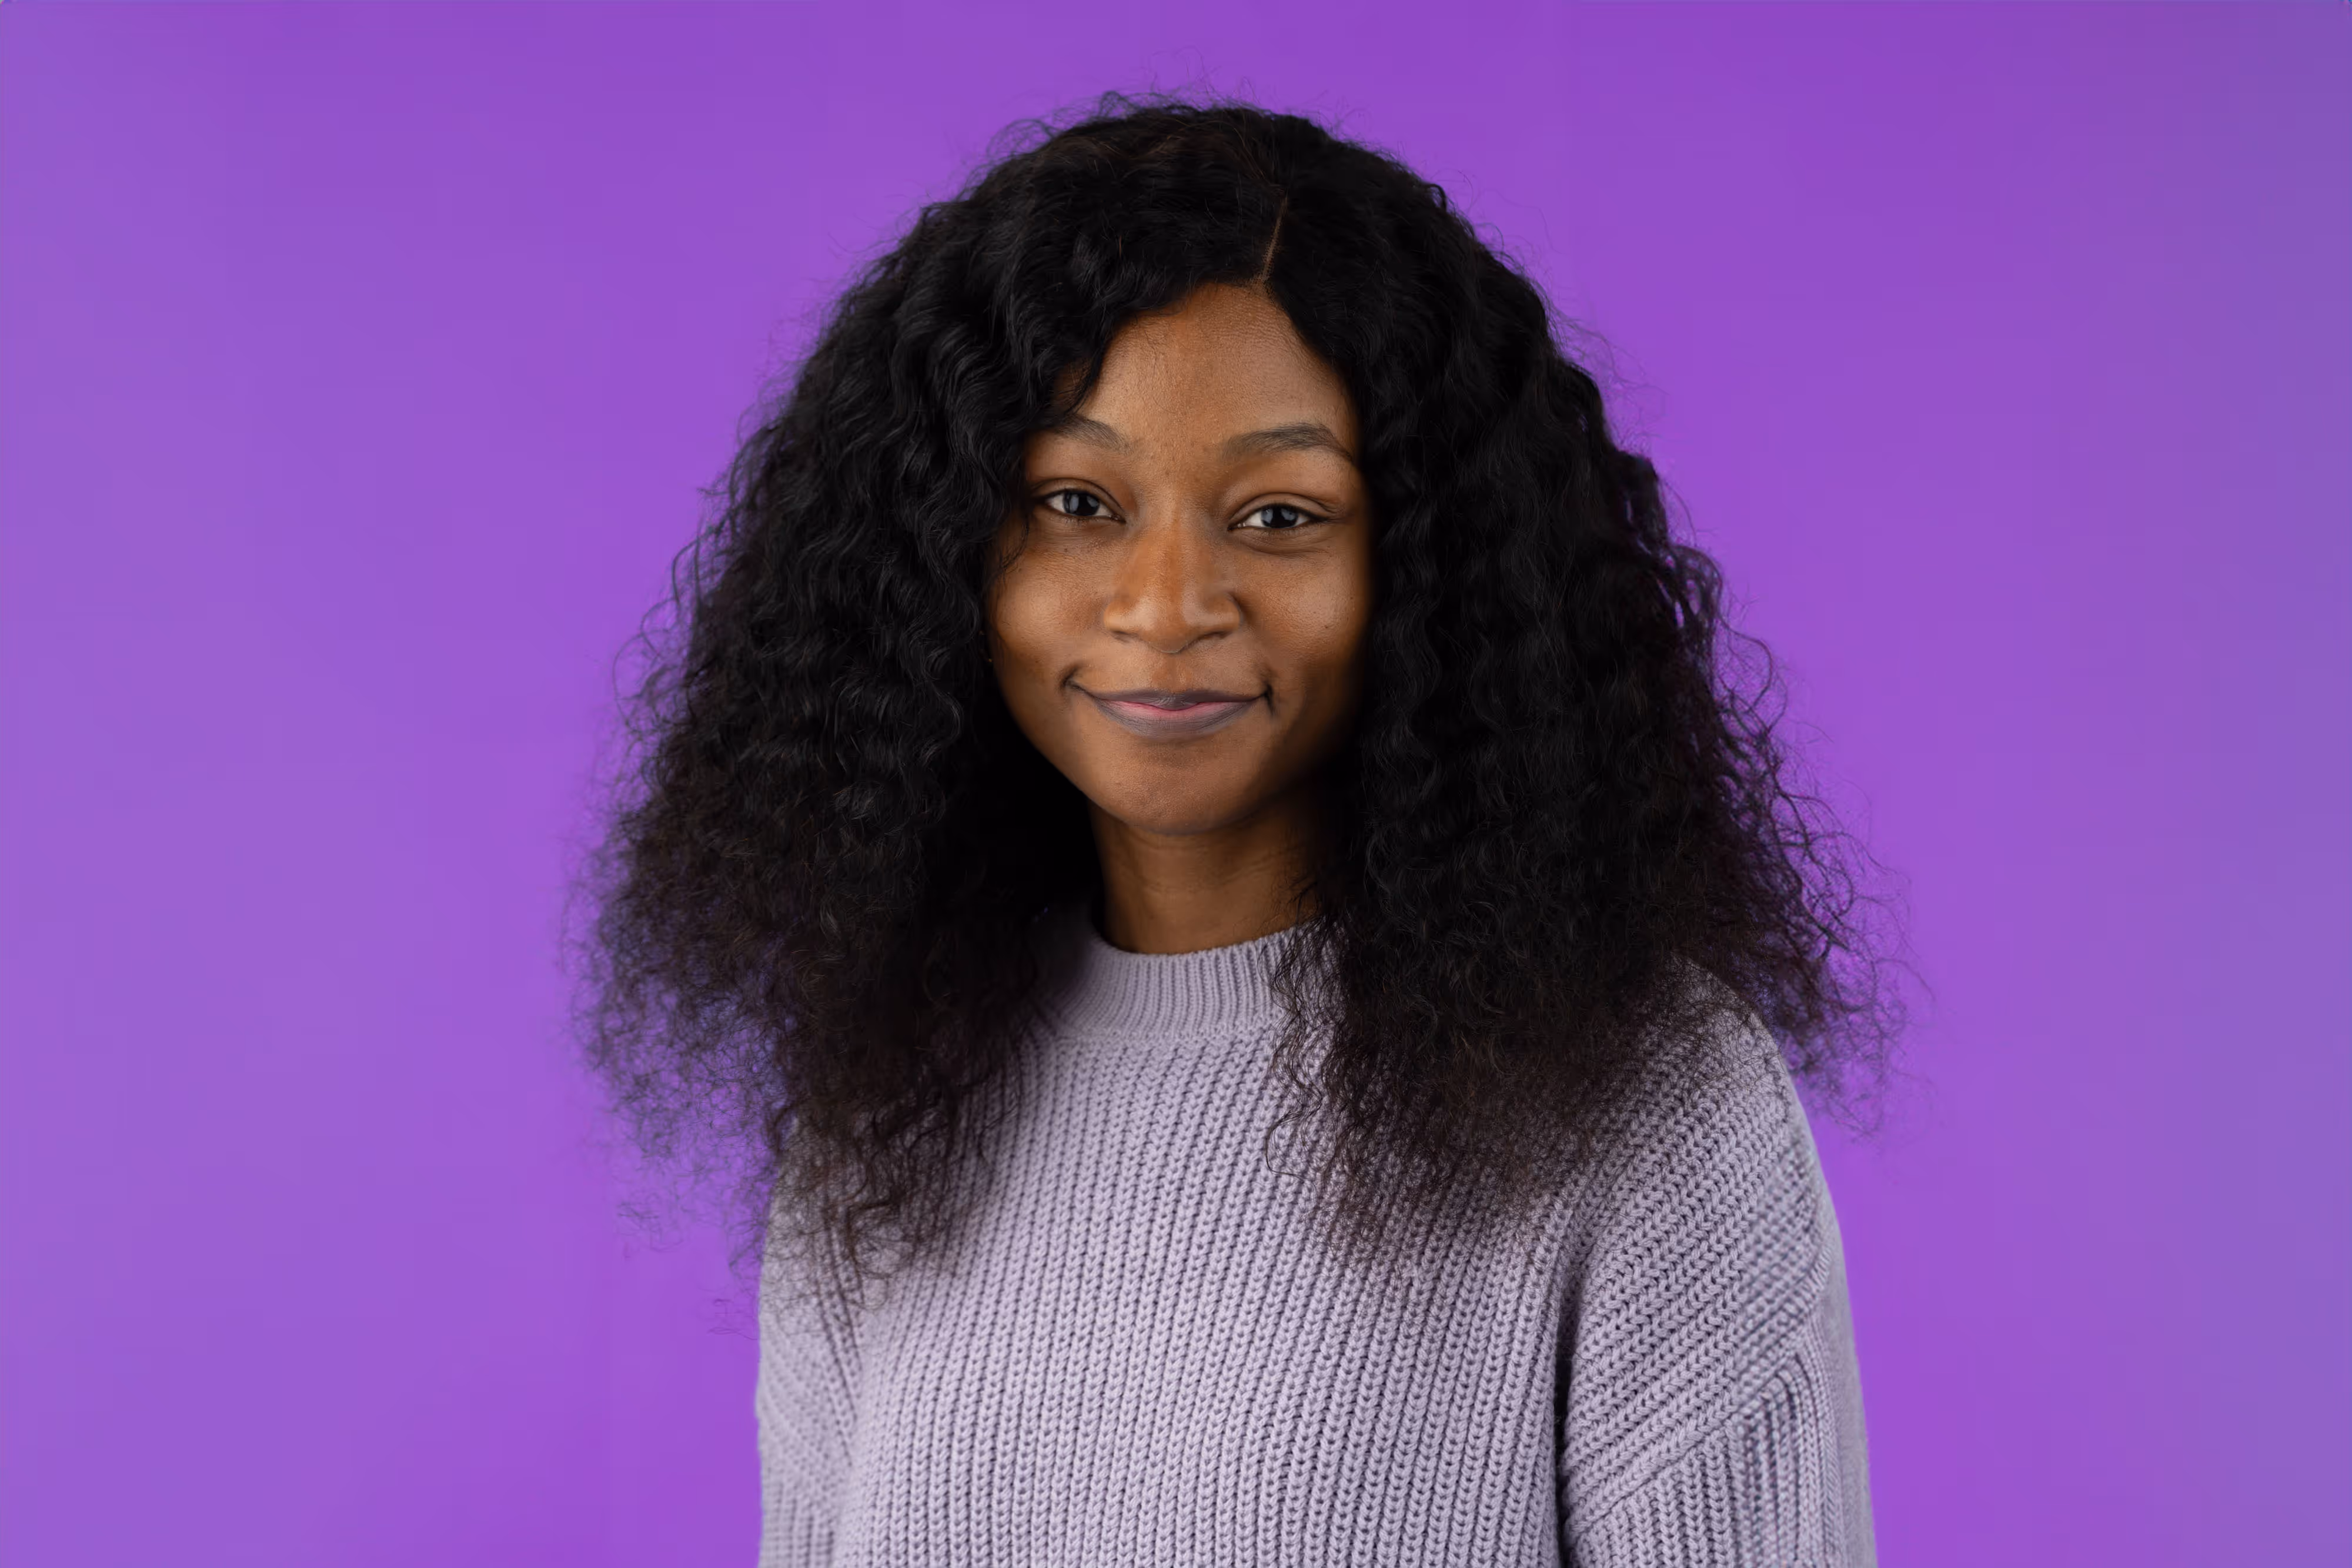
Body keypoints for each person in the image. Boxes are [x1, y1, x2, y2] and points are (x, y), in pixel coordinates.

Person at [581, 96, 1896, 1567]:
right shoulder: (887, 1107)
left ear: (1433, 574)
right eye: (1075, 501)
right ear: (946, 553)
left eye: (1277, 516)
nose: (1163, 603)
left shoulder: (1637, 1096)